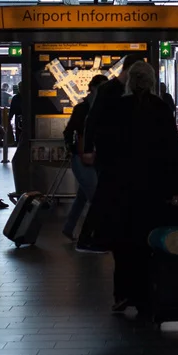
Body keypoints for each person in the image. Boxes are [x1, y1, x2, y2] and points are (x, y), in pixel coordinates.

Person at [85, 61, 178, 314]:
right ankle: (148, 292)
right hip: (154, 188)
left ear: (129, 82)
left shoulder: (117, 107)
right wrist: (177, 189)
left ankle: (123, 293)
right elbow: (172, 152)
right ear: (152, 82)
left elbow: (104, 144)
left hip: (121, 188)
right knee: (149, 239)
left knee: (123, 241)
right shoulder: (161, 109)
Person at [62, 75, 106, 241]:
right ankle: (91, 235)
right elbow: (69, 131)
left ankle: (69, 227)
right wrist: (72, 148)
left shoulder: (101, 108)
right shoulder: (83, 109)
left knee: (83, 195)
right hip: (81, 157)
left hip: (94, 158)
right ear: (93, 88)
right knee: (95, 197)